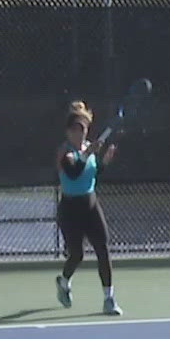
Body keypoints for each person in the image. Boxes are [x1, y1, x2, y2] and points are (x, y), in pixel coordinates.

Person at [55, 101, 121, 315]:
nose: (79, 133)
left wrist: (104, 163)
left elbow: (91, 174)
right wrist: (87, 154)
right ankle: (64, 282)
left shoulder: (89, 149)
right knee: (77, 255)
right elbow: (73, 172)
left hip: (91, 205)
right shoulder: (65, 153)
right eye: (74, 129)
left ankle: (109, 299)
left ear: (87, 130)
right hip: (70, 210)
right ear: (67, 131)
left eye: (82, 129)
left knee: (103, 249)